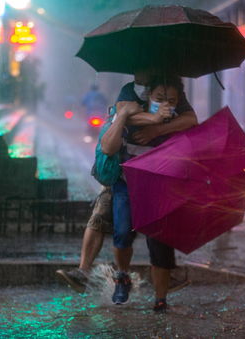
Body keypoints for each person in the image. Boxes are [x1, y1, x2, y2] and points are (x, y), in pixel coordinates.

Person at [56, 71, 198, 297]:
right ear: (149, 93)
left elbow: (190, 119)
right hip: (123, 178)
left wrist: (159, 127)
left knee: (160, 236)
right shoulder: (128, 93)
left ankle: (163, 284)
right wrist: (144, 118)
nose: (166, 103)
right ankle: (107, 273)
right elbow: (120, 118)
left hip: (156, 182)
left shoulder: (169, 91)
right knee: (110, 223)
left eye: (170, 101)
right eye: (159, 98)